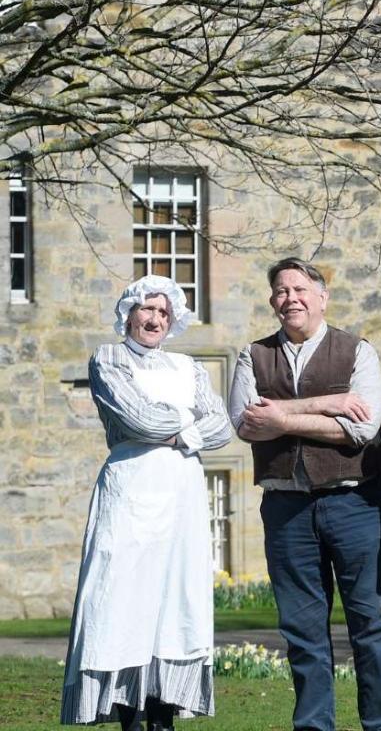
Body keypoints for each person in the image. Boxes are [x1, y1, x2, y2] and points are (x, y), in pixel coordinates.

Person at [227, 257, 381, 731]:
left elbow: (360, 428)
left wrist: (279, 418)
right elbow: (244, 424)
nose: (291, 298)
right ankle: (314, 726)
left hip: (354, 503)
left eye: (300, 289)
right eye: (281, 291)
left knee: (371, 623)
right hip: (286, 506)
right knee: (302, 632)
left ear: (322, 298)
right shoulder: (253, 354)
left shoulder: (357, 351)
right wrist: (324, 405)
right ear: (272, 302)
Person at [62, 275, 232, 730]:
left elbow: (222, 425)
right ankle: (127, 717)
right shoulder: (109, 358)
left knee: (174, 602)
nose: (155, 319)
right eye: (147, 309)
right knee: (122, 600)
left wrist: (183, 430)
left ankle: (162, 715)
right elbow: (135, 417)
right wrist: (184, 426)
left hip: (181, 497)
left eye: (163, 312)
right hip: (131, 492)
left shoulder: (189, 368)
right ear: (129, 313)